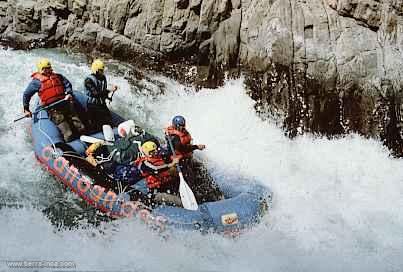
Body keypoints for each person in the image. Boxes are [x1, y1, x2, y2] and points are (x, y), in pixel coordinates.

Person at [23, 58, 86, 142]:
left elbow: (67, 84)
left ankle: (86, 144)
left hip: (65, 104)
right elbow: (26, 95)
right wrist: (26, 109)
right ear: (42, 70)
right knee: (68, 133)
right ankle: (69, 150)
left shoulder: (58, 77)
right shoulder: (36, 83)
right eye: (47, 68)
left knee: (81, 127)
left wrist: (69, 93)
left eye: (50, 68)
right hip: (54, 110)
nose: (50, 70)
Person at [84, 59, 118, 132]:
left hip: (101, 104)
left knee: (109, 120)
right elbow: (96, 94)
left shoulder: (103, 78)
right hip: (92, 105)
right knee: (96, 124)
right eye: (100, 70)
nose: (102, 72)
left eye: (102, 70)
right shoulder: (88, 80)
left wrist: (108, 97)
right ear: (95, 70)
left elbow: (103, 91)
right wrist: (109, 90)